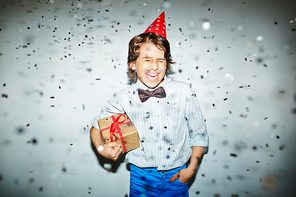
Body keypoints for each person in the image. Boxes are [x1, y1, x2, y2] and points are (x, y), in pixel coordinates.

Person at [90, 11, 209, 197]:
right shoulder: (124, 96)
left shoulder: (184, 91)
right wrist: (101, 148)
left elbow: (199, 133)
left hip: (177, 175)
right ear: (132, 64)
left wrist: (192, 168)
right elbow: (97, 125)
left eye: (160, 60)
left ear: (166, 63)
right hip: (141, 177)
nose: (154, 66)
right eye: (147, 59)